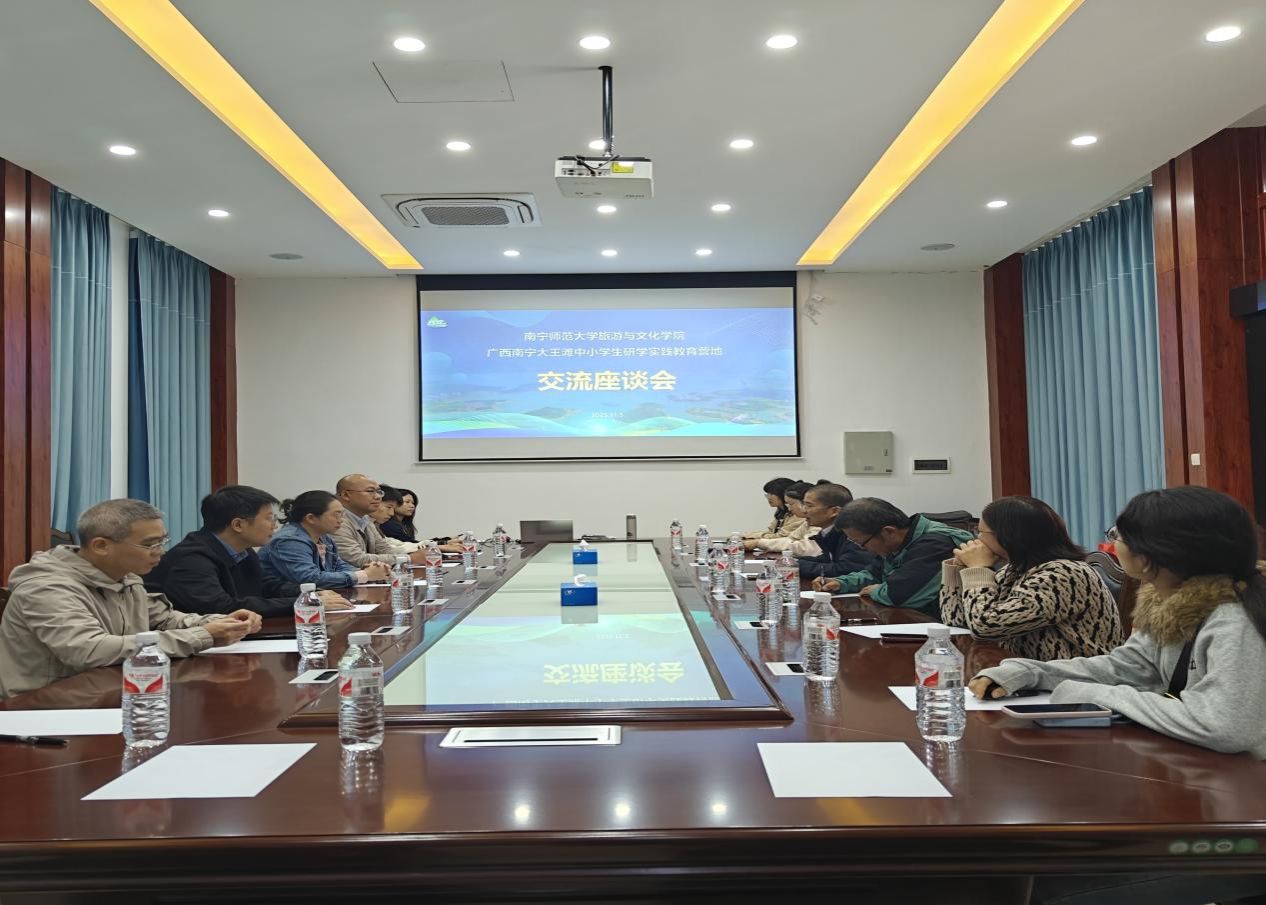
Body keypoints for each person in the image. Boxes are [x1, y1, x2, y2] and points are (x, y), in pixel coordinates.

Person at [971, 487, 1266, 905]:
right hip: (1209, 792)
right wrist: (1034, 672)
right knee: (1035, 864)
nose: (1112, 543)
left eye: (1119, 535)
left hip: (1245, 831)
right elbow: (1125, 666)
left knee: (1050, 887)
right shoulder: (1172, 601)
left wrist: (1098, 695)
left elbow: (1225, 725)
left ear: (1156, 553)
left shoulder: (1235, 619)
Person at [0, 499, 262, 698]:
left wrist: (223, 622)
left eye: (162, 541)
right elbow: (89, 650)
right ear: (101, 546)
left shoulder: (125, 577)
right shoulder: (46, 587)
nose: (160, 552)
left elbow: (165, 619)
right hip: (43, 706)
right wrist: (203, 636)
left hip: (109, 692)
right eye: (150, 544)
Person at [939, 496, 1122, 660]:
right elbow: (956, 619)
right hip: (1031, 673)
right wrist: (957, 569)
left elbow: (986, 627)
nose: (977, 540)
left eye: (980, 532)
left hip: (1075, 680)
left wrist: (978, 570)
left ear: (1008, 536)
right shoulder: (1016, 569)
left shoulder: (1063, 574)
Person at [146, 485, 353, 618]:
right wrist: (304, 604)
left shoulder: (243, 552)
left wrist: (310, 594)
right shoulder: (191, 559)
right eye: (269, 519)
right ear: (238, 525)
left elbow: (267, 586)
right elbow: (221, 607)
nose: (275, 526)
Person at [812, 498, 973, 617]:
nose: (863, 549)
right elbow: (875, 574)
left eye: (862, 543)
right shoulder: (898, 543)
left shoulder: (936, 544)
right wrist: (841, 583)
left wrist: (876, 590)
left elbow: (901, 596)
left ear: (889, 532)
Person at [260, 491, 390, 589]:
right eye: (336, 515)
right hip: (284, 605)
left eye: (342, 515)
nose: (341, 520)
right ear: (311, 518)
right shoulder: (289, 541)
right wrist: (364, 575)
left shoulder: (324, 537)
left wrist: (368, 570)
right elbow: (309, 579)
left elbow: (338, 565)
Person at [330, 474, 434, 567]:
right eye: (370, 491)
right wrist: (409, 558)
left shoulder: (365, 519)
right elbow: (356, 559)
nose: (378, 497)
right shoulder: (337, 521)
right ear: (346, 495)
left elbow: (383, 549)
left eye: (379, 492)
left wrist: (414, 555)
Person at [745, 481, 823, 555]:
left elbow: (804, 548)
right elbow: (790, 538)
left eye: (791, 504)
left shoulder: (818, 522)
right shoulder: (808, 521)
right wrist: (757, 542)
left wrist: (759, 543)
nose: (789, 509)